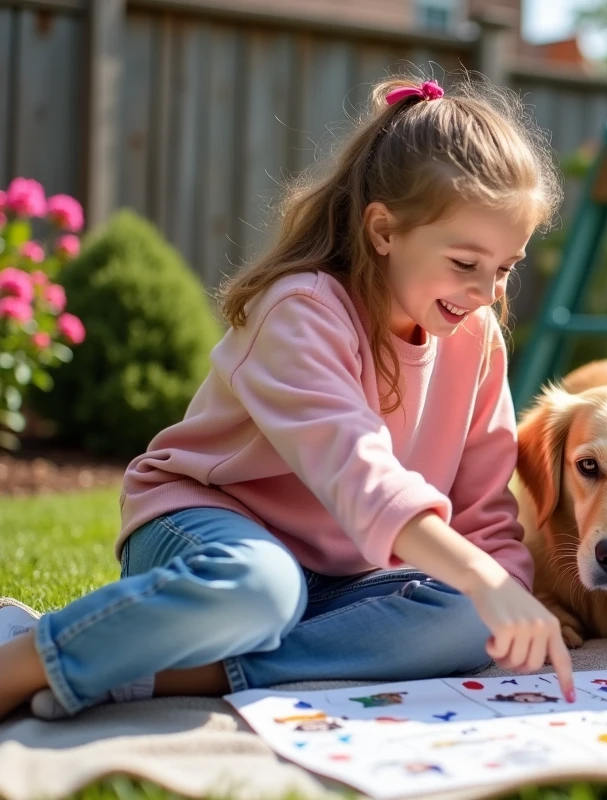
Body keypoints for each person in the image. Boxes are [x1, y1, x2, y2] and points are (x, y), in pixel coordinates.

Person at [0, 75, 576, 721]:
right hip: (208, 530)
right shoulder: (302, 309)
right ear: (384, 230)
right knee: (260, 591)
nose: (488, 290)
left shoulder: (479, 342)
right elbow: (359, 473)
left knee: (473, 619)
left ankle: (173, 674)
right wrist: (483, 577)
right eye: (466, 263)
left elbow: (486, 517)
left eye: (506, 268)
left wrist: (504, 589)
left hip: (341, 579)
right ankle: (23, 658)